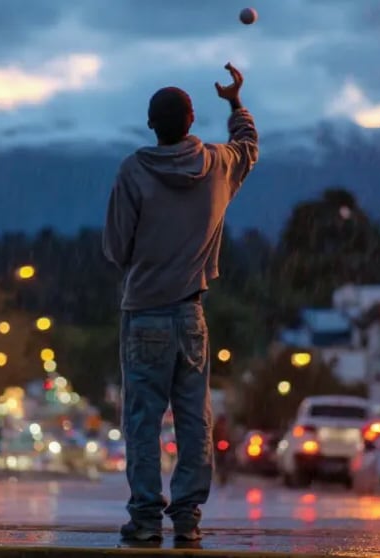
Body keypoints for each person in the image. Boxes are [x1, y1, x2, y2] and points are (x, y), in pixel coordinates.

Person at [102, 62, 258, 543]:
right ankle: (187, 520)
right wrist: (234, 102)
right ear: (192, 122)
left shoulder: (133, 171)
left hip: (143, 314)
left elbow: (115, 248)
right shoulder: (218, 165)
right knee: (194, 421)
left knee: (143, 423)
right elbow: (249, 146)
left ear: (152, 125)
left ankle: (146, 519)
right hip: (191, 316)